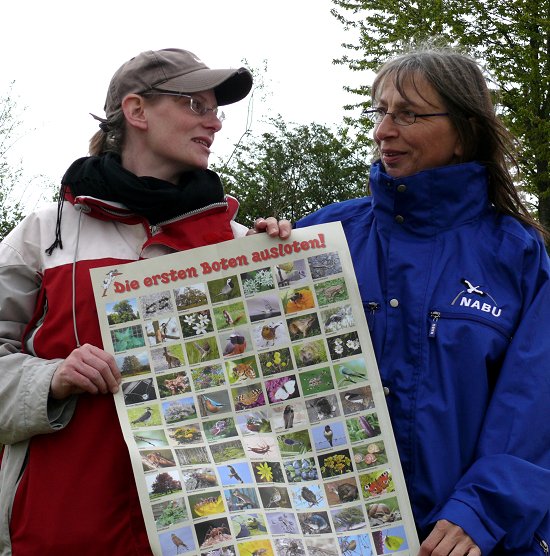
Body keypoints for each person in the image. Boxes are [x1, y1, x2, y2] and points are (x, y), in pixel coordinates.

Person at [0, 48, 290, 555]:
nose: (215, 124)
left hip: (206, 535)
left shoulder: (241, 243)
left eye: (215, 110)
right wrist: (52, 379)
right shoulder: (44, 233)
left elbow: (281, 385)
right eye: (196, 105)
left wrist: (284, 264)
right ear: (137, 112)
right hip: (60, 533)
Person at [297, 46, 550, 555]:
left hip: (465, 542)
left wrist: (484, 508)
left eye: (409, 114)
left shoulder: (518, 254)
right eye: (381, 111)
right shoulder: (325, 234)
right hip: (328, 534)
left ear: (463, 133)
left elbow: (535, 402)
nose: (383, 131)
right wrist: (260, 263)